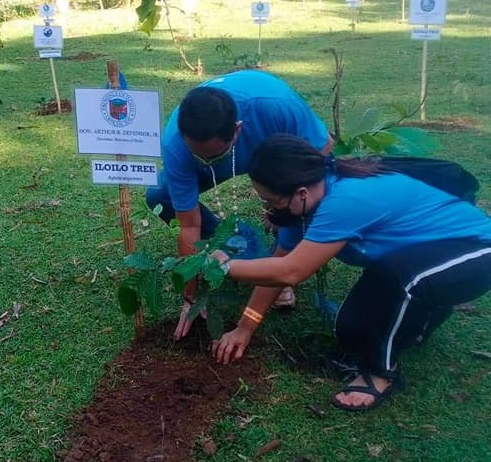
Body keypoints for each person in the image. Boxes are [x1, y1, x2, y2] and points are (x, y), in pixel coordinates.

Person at [209, 134, 491, 412]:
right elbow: (278, 264)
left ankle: (380, 373)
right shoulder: (302, 206)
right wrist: (245, 328)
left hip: (475, 252)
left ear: (301, 193)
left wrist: (225, 266)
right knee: (352, 330)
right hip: (422, 259)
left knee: (400, 280)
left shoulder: (345, 200)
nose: (269, 210)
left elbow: (291, 272)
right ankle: (426, 313)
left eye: (271, 201)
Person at [146, 70, 332, 339]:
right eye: (198, 155)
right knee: (158, 195)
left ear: (237, 131)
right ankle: (235, 245)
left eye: (213, 155)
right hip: (225, 150)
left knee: (303, 203)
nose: (207, 162)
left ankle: (277, 266)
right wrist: (190, 297)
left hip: (271, 148)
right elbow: (189, 225)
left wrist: (282, 212)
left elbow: (322, 151)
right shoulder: (177, 144)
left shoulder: (276, 107)